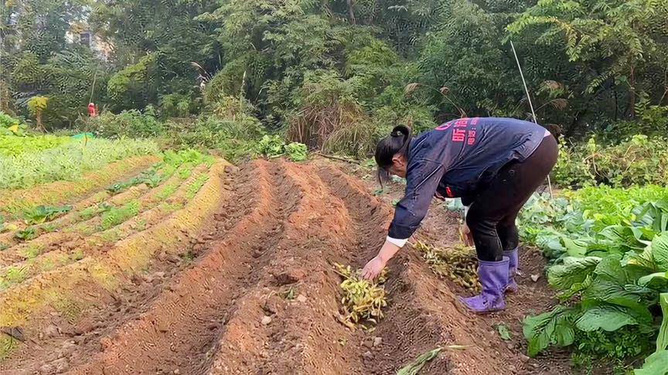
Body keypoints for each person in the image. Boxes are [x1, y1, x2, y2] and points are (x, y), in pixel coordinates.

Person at [362, 117, 558, 314]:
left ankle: (492, 297)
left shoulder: (426, 158)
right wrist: (467, 217)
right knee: (501, 217)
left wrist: (381, 259)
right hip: (541, 143)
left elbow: (413, 208)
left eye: (393, 172)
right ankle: (506, 280)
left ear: (396, 161)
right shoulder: (429, 143)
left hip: (529, 150)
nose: (398, 176)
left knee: (482, 220)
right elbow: (474, 177)